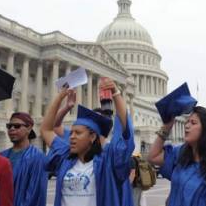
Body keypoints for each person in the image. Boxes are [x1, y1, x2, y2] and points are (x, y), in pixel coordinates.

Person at [40, 77, 135, 206]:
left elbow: (126, 133)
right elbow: (47, 129)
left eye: (78, 133)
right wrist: (60, 97)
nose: (71, 136)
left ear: (92, 137)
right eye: (72, 132)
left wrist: (116, 93)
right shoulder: (65, 157)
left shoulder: (108, 160)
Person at [148, 106, 206, 206]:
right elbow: (153, 157)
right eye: (187, 122)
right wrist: (166, 128)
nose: (187, 126)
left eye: (193, 123)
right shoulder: (180, 153)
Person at [0, 112, 47, 206]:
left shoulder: (37, 157)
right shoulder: (2, 156)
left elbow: (34, 194)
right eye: (9, 126)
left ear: (29, 128)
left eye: (17, 126)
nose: (12, 129)